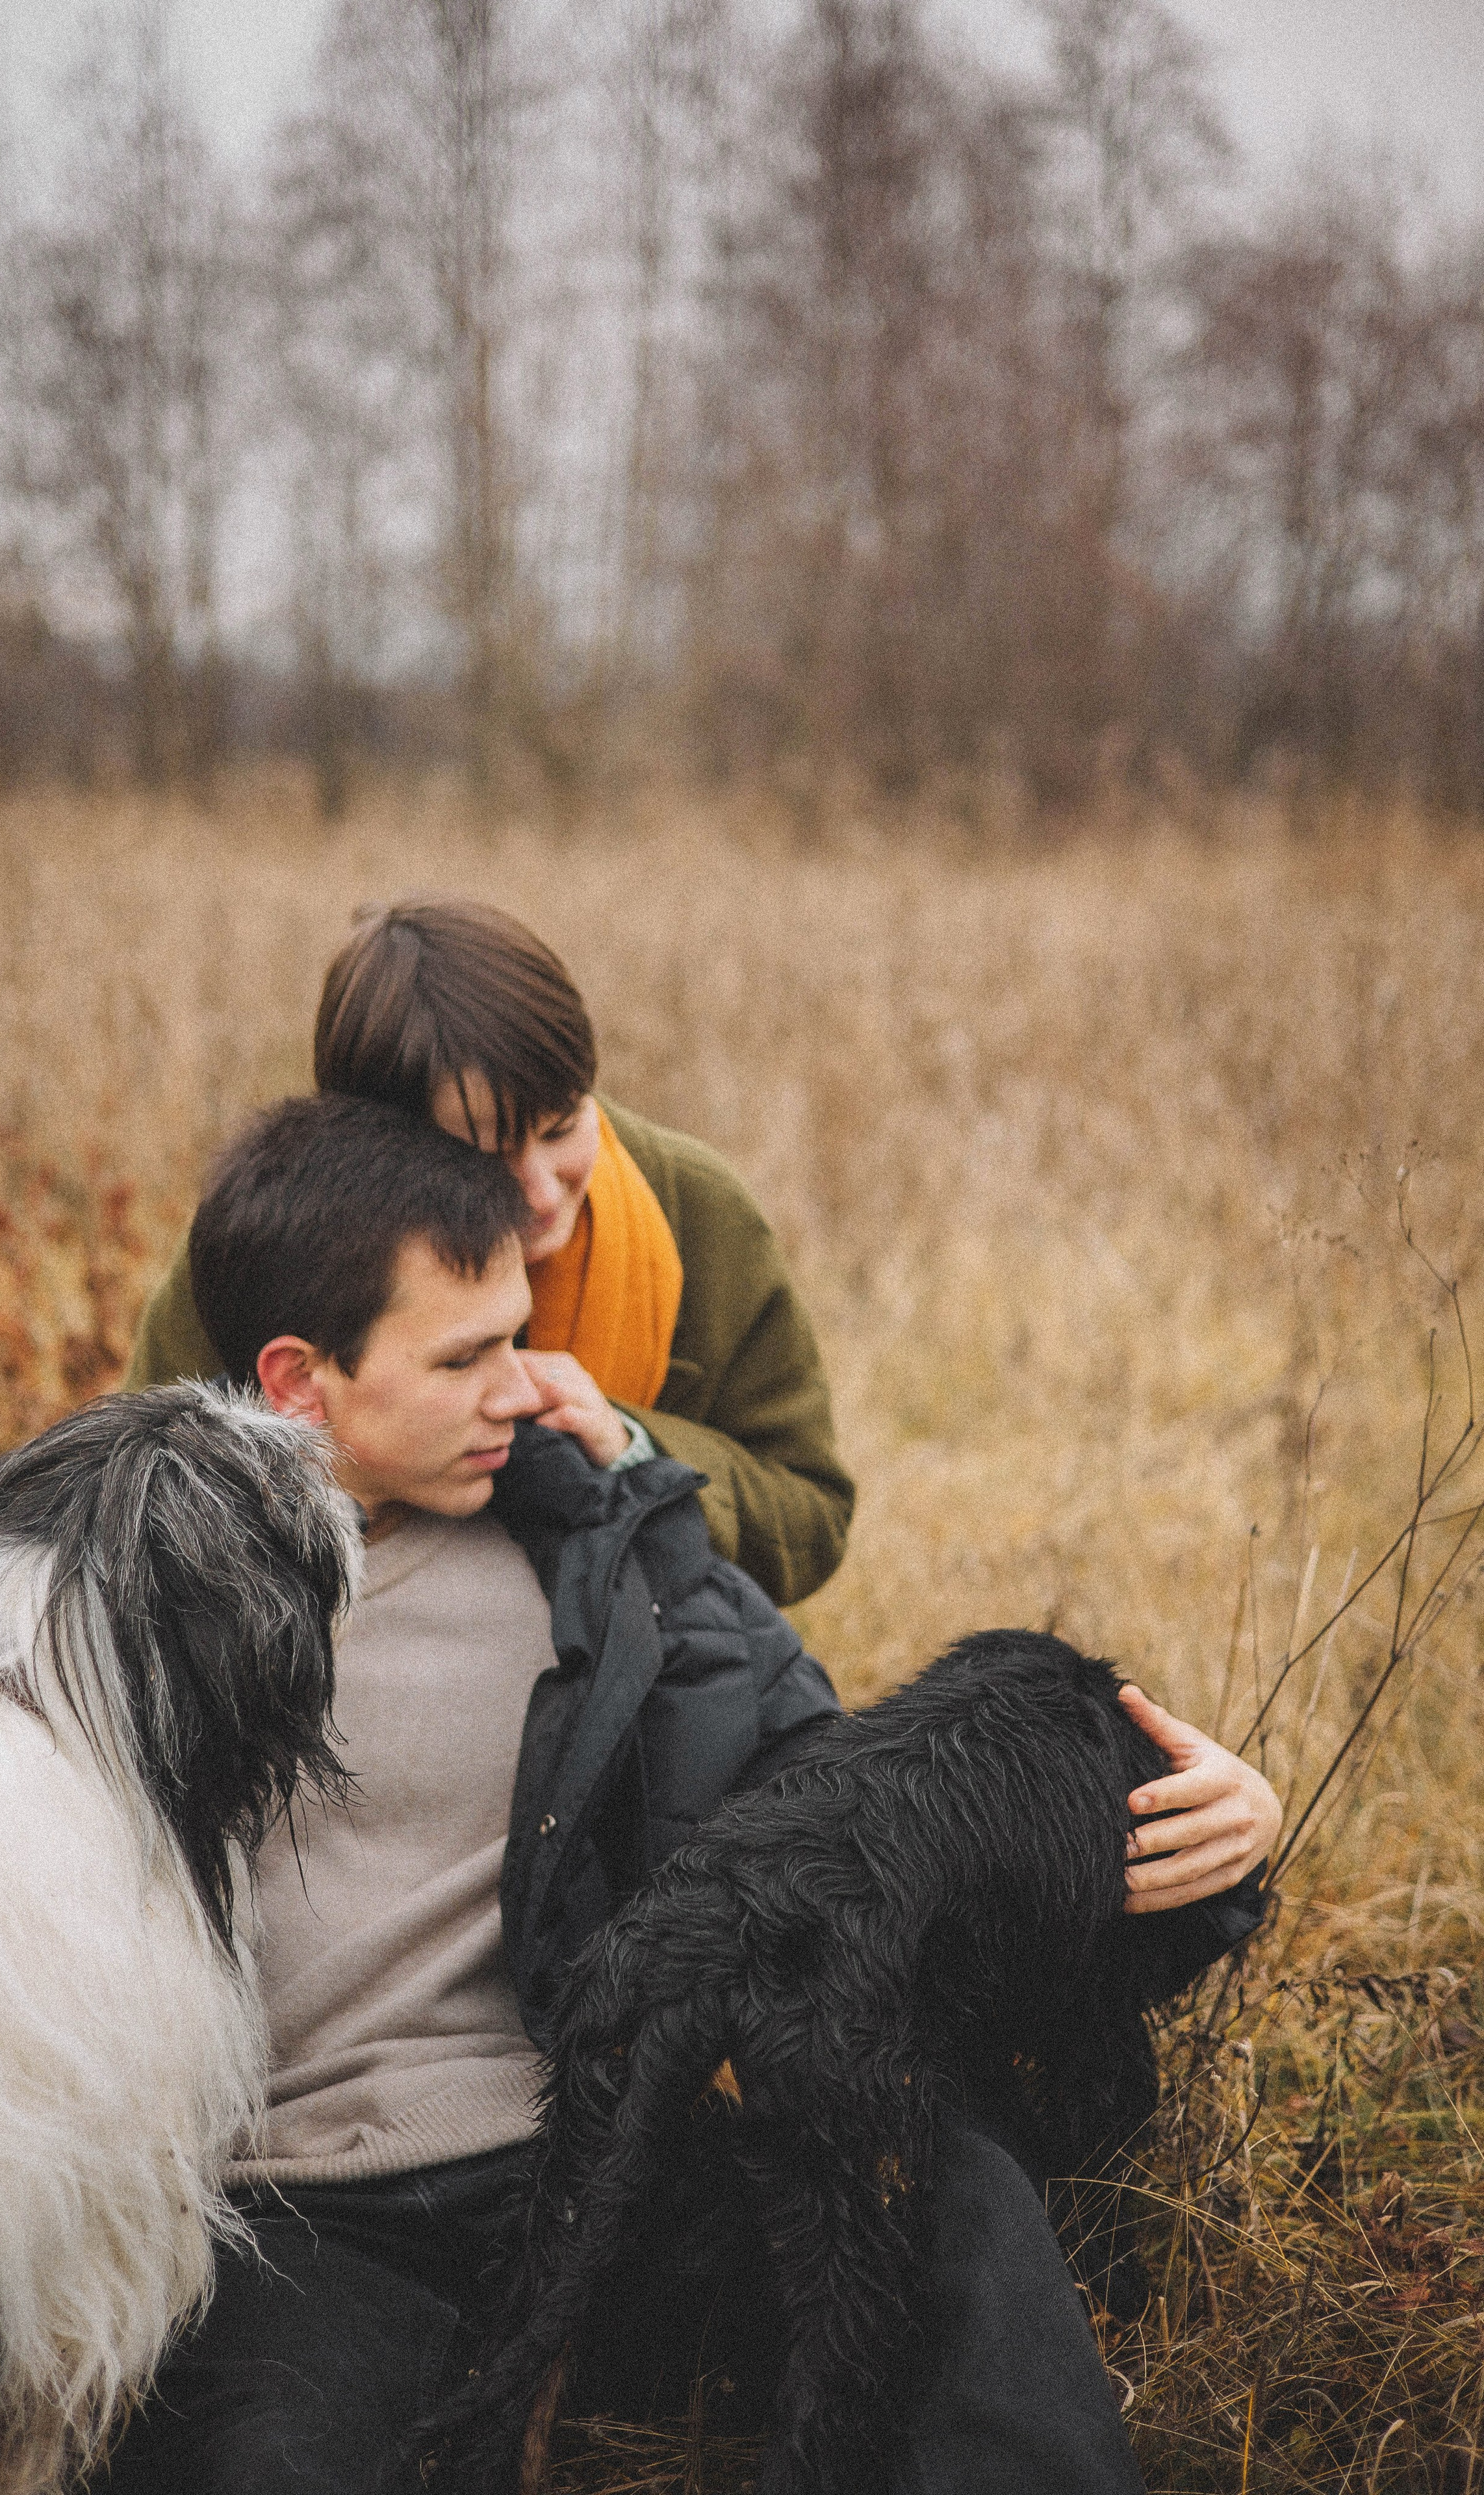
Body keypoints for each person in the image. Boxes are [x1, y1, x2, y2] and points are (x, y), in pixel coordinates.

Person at [92, 1093, 1281, 2495]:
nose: (524, 1387)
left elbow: (848, 1813)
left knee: (944, 2191)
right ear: (300, 1381)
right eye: (466, 1357)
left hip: (627, 2159)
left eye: (518, 1337)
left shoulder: (608, 1549)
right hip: (315, 2230)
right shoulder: (129, 1612)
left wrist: (1195, 1831)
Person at [123, 898, 855, 1607]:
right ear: (374, 1142)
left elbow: (811, 1521)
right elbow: (138, 1514)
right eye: (487, 1154)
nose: (541, 1192)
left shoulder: (696, 1209)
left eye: (563, 1127)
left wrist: (631, 1449)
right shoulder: (264, 1238)